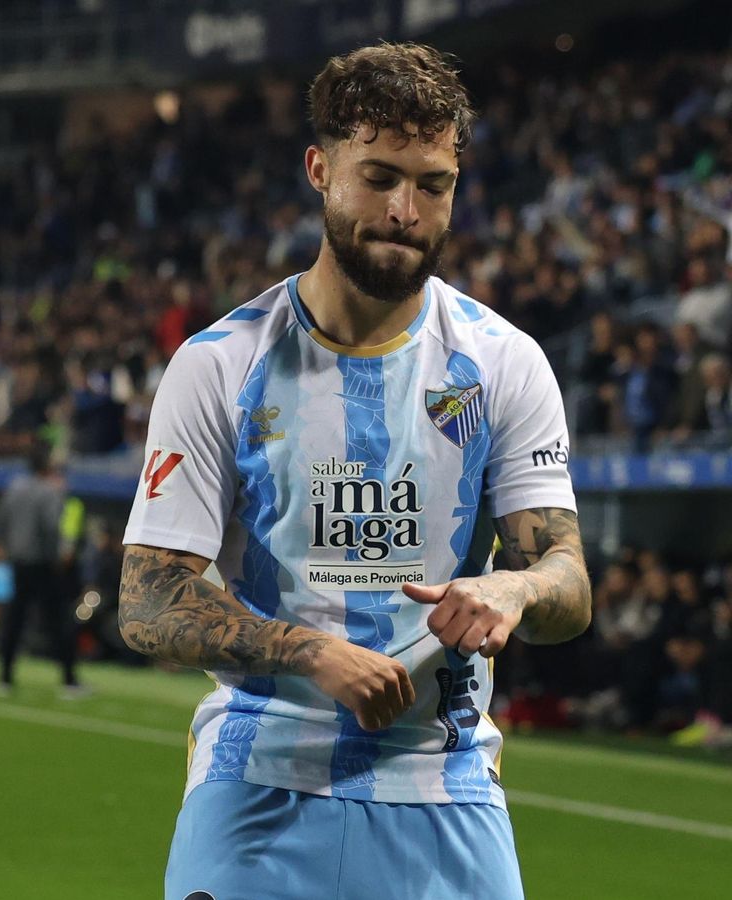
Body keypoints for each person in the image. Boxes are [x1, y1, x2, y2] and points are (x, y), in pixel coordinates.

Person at [119, 43, 592, 900]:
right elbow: (148, 599)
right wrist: (310, 653)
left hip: (443, 779)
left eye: (432, 184)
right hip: (258, 773)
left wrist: (515, 592)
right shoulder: (219, 363)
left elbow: (566, 580)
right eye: (378, 177)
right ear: (319, 169)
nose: (405, 209)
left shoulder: (503, 364)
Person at [0, 442, 82, 696]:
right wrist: (59, 556)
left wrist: (0, 543)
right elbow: (51, 527)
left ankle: (5, 678)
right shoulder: (49, 491)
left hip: (18, 562)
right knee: (57, 621)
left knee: (13, 620)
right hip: (43, 564)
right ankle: (69, 679)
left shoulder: (14, 488)